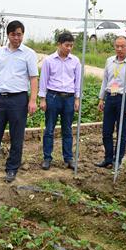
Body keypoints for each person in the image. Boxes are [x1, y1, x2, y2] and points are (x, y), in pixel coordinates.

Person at [0, 20, 38, 183]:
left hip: (18, 100)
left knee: (16, 136)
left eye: (19, 34)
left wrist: (32, 100)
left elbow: (34, 78)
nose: (16, 38)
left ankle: (12, 169)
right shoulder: (0, 52)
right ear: (8, 35)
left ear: (22, 35)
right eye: (13, 34)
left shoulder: (29, 54)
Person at [96, 33, 126, 170]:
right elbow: (105, 80)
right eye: (117, 46)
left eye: (122, 46)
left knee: (121, 131)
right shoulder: (110, 61)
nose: (119, 49)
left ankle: (117, 160)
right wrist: (101, 98)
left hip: (124, 98)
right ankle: (108, 158)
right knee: (106, 131)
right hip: (110, 97)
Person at [39, 31, 81, 170]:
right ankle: (47, 158)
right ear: (59, 44)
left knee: (67, 129)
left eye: (71, 46)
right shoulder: (49, 60)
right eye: (66, 45)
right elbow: (43, 80)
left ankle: (68, 158)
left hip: (69, 98)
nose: (69, 48)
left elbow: (77, 81)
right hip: (53, 97)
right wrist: (43, 99)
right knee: (49, 129)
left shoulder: (75, 61)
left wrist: (77, 99)